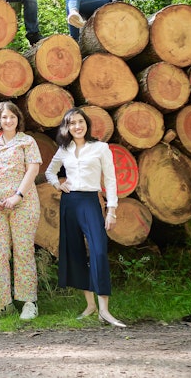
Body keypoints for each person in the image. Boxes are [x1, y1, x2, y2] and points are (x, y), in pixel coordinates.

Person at [45, 107, 125, 328]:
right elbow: (50, 171)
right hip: (69, 203)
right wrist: (58, 184)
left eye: (80, 122)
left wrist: (111, 210)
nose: (77, 126)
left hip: (90, 202)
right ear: (67, 127)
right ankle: (90, 306)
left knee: (98, 251)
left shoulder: (100, 148)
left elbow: (110, 179)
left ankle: (104, 311)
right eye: (72, 123)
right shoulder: (64, 149)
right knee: (76, 253)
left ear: (86, 124)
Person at [0, 102, 41, 320]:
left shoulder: (27, 141)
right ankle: (4, 303)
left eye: (12, 117)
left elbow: (33, 169)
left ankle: (29, 302)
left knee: (23, 250)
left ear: (18, 119)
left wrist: (18, 195)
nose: (8, 121)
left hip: (23, 204)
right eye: (4, 117)